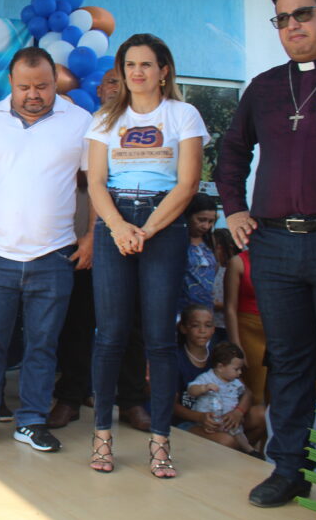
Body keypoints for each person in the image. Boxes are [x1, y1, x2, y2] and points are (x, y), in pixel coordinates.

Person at [215, 0, 316, 517]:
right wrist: (234, 207)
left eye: (303, 14)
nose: (292, 26)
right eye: (282, 18)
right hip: (274, 245)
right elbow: (232, 152)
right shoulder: (266, 87)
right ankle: (288, 471)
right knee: (289, 362)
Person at [0, 47, 92, 452]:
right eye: (25, 87)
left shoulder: (80, 121)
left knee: (43, 343)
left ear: (55, 83)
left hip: (54, 254)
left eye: (43, 86)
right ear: (10, 84)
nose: (34, 95)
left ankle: (31, 420)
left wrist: (91, 236)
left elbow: (96, 181)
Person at [86, 33, 209, 477]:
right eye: (130, 65)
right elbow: (95, 182)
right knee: (110, 336)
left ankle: (160, 443)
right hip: (115, 221)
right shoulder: (105, 118)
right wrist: (119, 227)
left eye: (145, 64)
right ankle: (102, 438)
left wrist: (148, 229)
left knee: (159, 338)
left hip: (164, 223)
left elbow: (188, 184)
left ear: (163, 70)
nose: (137, 72)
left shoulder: (183, 114)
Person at [49, 68, 151, 433]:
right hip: (89, 236)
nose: (114, 87)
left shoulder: (149, 127)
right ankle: (70, 396)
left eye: (120, 81)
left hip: (138, 234)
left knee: (132, 321)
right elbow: (76, 175)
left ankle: (132, 400)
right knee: (78, 320)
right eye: (108, 81)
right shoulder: (83, 126)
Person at [186, 341, 257, 454]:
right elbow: (191, 390)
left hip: (228, 421)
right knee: (226, 439)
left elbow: (247, 394)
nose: (240, 372)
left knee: (239, 434)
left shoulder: (235, 382)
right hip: (208, 421)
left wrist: (239, 412)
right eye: (236, 369)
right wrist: (204, 388)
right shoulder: (207, 378)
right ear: (220, 367)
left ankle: (250, 451)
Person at [223, 245, 267, 405]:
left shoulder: (281, 259)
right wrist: (236, 346)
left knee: (278, 390)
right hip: (248, 328)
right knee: (255, 390)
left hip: (275, 328)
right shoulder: (238, 262)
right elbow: (230, 308)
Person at [181, 193, 219, 311]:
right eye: (201, 220)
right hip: (182, 308)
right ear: (188, 215)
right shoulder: (177, 240)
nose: (206, 226)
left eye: (211, 221)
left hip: (205, 308)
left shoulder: (210, 241)